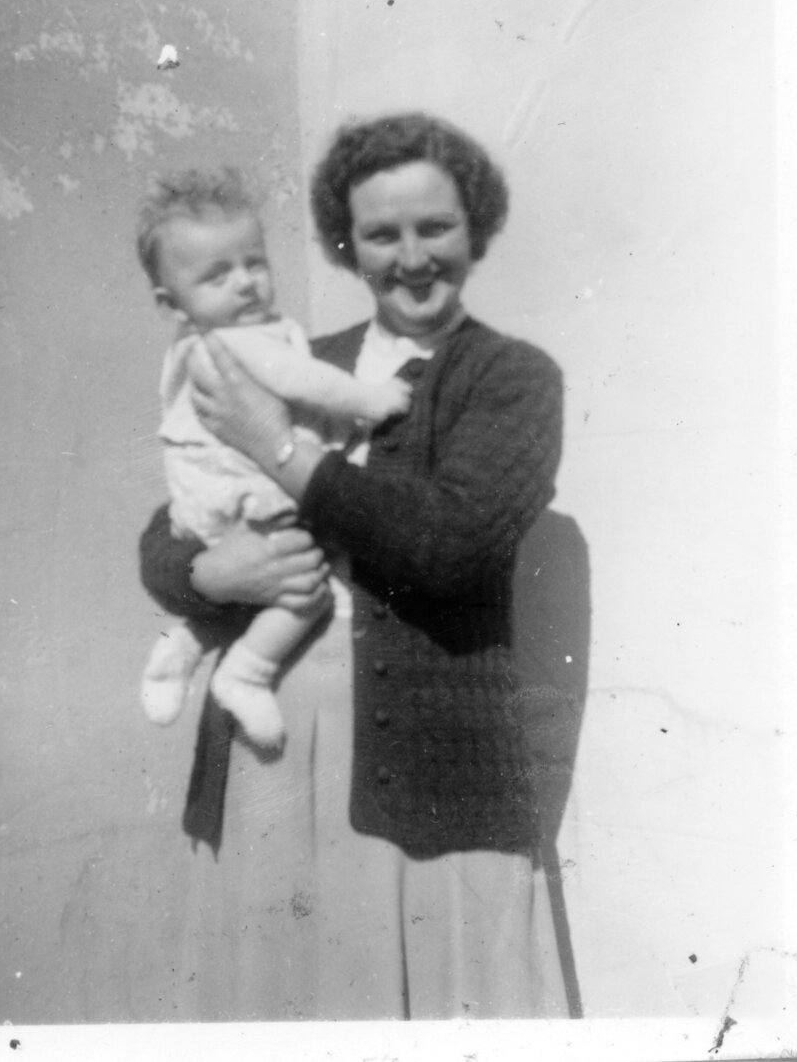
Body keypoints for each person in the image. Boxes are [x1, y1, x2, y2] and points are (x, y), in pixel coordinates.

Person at [139, 113, 569, 1021]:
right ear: (348, 242)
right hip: (269, 747)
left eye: (434, 227)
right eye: (381, 233)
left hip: (428, 766)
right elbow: (170, 523)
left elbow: (451, 543)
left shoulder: (512, 378)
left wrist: (279, 447)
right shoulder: (303, 355)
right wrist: (217, 575)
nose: (411, 257)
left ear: (476, 229)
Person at [137, 166, 411, 750]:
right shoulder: (241, 342)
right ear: (171, 303)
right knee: (304, 587)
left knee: (264, 581)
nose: (245, 283)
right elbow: (306, 381)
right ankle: (246, 673)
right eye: (218, 275)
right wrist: (373, 400)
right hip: (243, 497)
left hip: (210, 507)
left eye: (254, 263)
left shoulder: (197, 345)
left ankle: (185, 644)